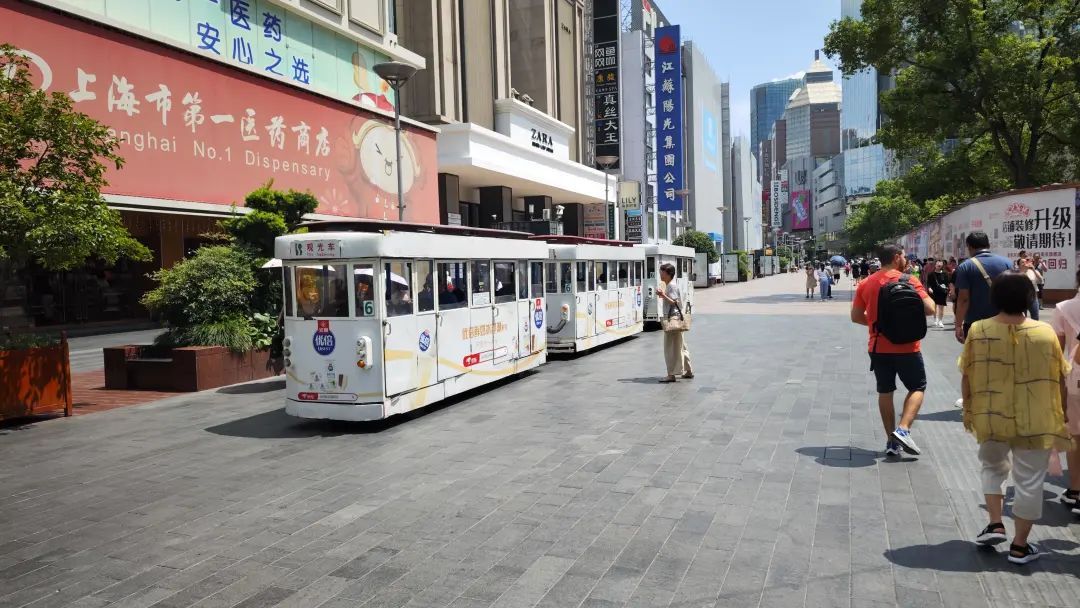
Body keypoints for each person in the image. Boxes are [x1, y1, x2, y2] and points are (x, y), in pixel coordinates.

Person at [961, 273, 1072, 563]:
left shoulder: (978, 329)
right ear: (1030, 298)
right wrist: (1061, 410)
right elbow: (1059, 376)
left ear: (994, 298)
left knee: (992, 468)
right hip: (1036, 418)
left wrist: (969, 408)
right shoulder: (1044, 332)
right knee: (1030, 481)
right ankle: (1020, 546)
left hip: (991, 414)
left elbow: (967, 373)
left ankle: (995, 523)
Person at [851, 243, 935, 456]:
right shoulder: (909, 280)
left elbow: (856, 316)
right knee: (917, 387)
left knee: (885, 391)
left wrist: (877, 324)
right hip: (908, 347)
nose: (906, 259)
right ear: (897, 257)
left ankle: (891, 442)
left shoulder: (866, 283)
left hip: (878, 346)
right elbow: (930, 309)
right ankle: (903, 429)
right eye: (904, 256)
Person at [1050, 269, 1080, 515]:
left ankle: (1076, 490)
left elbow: (1057, 354)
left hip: (1075, 379)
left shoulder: (1063, 308)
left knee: (1076, 436)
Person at [954, 232, 1013, 344]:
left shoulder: (965, 266)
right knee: (1003, 353)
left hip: (975, 324)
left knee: (977, 354)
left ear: (969, 246)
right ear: (988, 245)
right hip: (1004, 321)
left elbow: (964, 299)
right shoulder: (1007, 263)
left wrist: (958, 325)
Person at [656, 263, 692, 383]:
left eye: (662, 272)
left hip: (673, 319)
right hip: (677, 319)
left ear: (668, 274)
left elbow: (674, 302)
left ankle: (671, 374)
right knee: (681, 345)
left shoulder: (671, 286)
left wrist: (662, 295)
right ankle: (688, 370)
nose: (660, 274)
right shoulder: (670, 285)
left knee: (670, 348)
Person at [925, 260, 950, 328]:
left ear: (942, 266)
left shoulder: (945, 274)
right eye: (938, 265)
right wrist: (929, 288)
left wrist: (948, 289)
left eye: (940, 265)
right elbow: (928, 283)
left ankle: (940, 321)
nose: (939, 266)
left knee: (941, 307)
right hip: (933, 292)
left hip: (942, 292)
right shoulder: (931, 274)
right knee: (934, 306)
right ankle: (935, 318)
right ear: (935, 265)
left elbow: (947, 283)